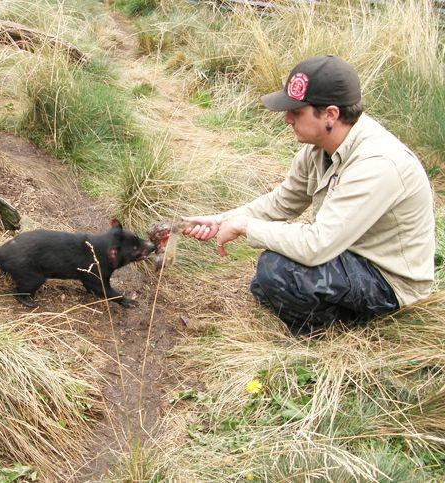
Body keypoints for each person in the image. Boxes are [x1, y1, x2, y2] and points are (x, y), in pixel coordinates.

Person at [182, 55, 435, 335]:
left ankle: (329, 331)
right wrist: (222, 219)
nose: (287, 118)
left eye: (297, 112)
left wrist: (245, 227)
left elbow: (317, 245)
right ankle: (324, 308)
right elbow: (282, 203)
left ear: (330, 115)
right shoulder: (318, 147)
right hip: (348, 250)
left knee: (278, 270)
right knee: (272, 276)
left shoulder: (378, 164)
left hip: (389, 280)